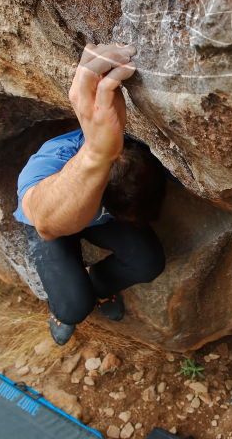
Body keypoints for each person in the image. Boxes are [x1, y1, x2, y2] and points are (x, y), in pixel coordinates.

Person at [13, 42, 166, 345]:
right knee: (73, 307)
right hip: (50, 227)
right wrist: (96, 153)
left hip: (100, 217)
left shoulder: (136, 159)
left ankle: (96, 285)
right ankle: (65, 308)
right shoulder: (50, 161)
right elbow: (44, 220)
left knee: (148, 262)